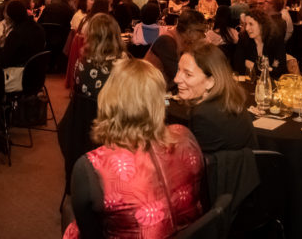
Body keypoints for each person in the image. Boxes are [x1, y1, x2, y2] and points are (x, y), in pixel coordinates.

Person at [65, 58, 204, 238]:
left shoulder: (91, 167)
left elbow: (90, 232)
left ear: (109, 98)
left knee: (69, 213)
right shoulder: (185, 135)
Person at [175, 43, 257, 153]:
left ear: (210, 82)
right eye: (178, 70)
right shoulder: (231, 99)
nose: (176, 79)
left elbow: (197, 165)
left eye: (188, 74)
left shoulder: (204, 116)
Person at [145, 9, 207, 87]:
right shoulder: (166, 41)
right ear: (189, 31)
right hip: (151, 90)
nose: (203, 36)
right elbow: (178, 75)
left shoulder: (186, 43)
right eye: (201, 31)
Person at [235, 8, 287, 77]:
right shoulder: (243, 39)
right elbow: (237, 66)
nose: (247, 28)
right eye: (246, 24)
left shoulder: (275, 39)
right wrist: (267, 69)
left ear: (262, 25)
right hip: (249, 83)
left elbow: (280, 71)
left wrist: (253, 66)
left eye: (251, 24)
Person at [0, 0, 45, 68]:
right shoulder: (38, 28)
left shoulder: (16, 34)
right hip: (36, 72)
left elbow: (5, 60)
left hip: (18, 73)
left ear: (12, 17)